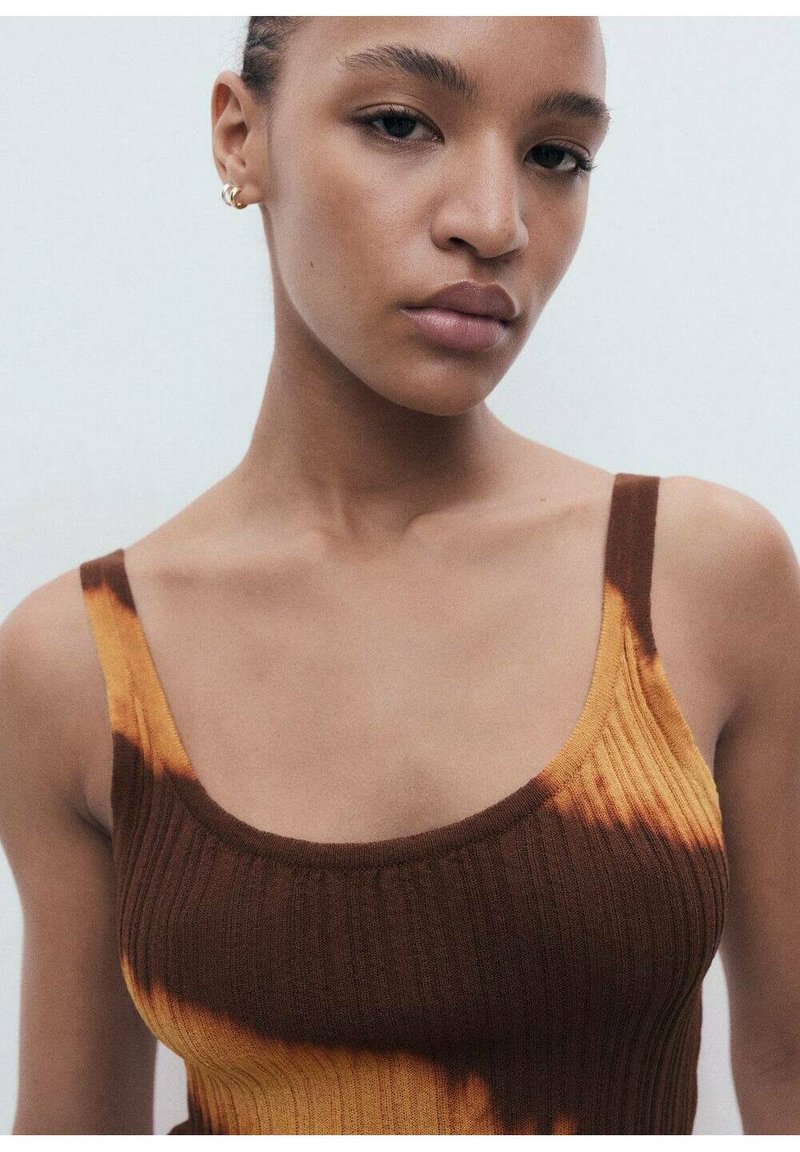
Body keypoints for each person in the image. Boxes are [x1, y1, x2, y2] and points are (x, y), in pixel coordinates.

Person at [1, 16, 798, 1137]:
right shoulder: (76, 663)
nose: (494, 222)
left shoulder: (704, 580)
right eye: (398, 124)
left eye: (555, 154)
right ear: (240, 137)